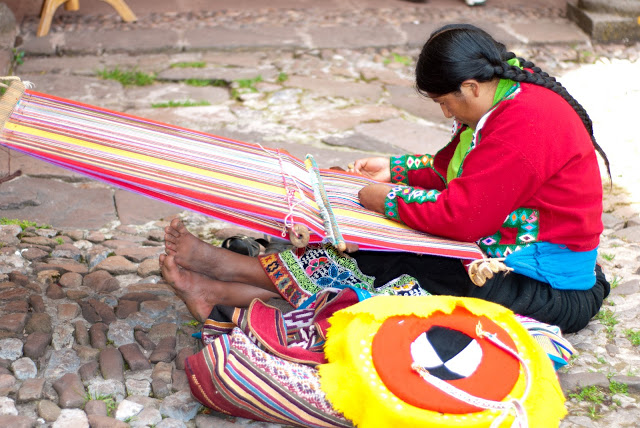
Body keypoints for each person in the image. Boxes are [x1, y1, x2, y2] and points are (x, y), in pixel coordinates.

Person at [161, 23, 610, 334]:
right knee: (392, 248)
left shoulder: (523, 123)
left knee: (396, 265)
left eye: (445, 103)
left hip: (543, 291)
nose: (446, 112)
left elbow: (462, 217)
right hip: (510, 252)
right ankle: (232, 282)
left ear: (470, 87)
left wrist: (382, 200)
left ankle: (226, 283)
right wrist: (393, 171)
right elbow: (453, 169)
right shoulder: (504, 99)